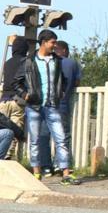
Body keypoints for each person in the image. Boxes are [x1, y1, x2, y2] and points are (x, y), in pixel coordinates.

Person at [13, 29, 80, 185]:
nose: (54, 45)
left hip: (52, 105)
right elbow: (16, 82)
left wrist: (61, 91)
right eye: (52, 42)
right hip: (34, 106)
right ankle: (36, 172)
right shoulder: (29, 61)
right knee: (35, 140)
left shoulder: (57, 60)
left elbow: (62, 79)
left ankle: (66, 173)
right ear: (44, 42)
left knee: (61, 138)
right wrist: (26, 95)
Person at [40, 40, 82, 176]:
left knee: (44, 135)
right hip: (62, 104)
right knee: (63, 136)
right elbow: (76, 82)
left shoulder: (48, 62)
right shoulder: (73, 63)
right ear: (65, 50)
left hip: (46, 104)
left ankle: (46, 167)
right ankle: (60, 164)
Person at [0, 36, 28, 160]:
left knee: (4, 127)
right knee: (14, 130)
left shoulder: (7, 63)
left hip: (4, 100)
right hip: (18, 100)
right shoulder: (26, 62)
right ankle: (8, 157)